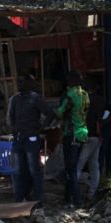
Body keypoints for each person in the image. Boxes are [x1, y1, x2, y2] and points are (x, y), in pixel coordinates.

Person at [8, 75, 56, 205]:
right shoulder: (15, 99)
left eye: (22, 81)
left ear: (29, 84)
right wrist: (14, 129)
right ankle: (19, 199)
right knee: (18, 170)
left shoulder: (35, 98)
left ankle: (38, 199)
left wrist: (41, 127)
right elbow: (12, 116)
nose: (19, 84)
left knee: (34, 169)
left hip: (31, 138)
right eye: (18, 81)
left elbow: (50, 113)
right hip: (19, 138)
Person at [56, 70, 89, 208]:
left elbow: (60, 113)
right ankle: (67, 199)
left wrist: (54, 113)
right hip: (82, 133)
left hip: (71, 134)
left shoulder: (69, 95)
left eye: (68, 79)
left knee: (71, 169)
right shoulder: (85, 94)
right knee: (72, 168)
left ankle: (77, 201)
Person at [76, 79, 104, 204]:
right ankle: (92, 193)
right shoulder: (101, 100)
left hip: (87, 136)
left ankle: (74, 195)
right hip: (97, 137)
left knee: (79, 165)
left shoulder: (83, 101)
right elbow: (105, 116)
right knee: (94, 165)